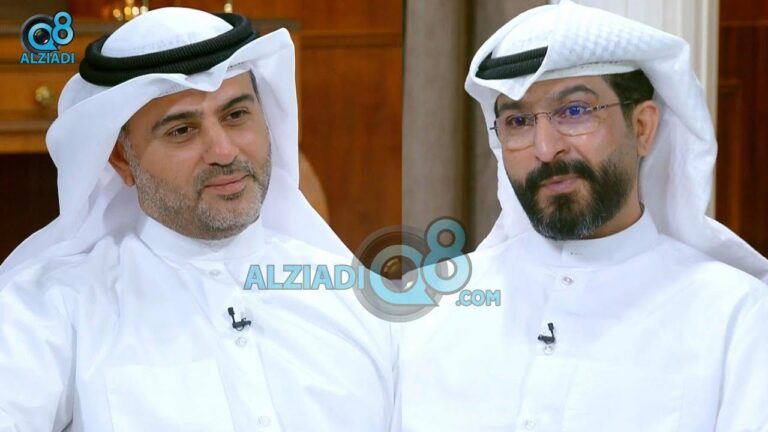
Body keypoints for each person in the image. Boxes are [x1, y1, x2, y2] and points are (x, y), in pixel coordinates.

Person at [0, 8, 395, 431]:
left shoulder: (358, 301)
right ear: (121, 158)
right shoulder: (50, 309)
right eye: (182, 131)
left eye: (236, 115)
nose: (223, 152)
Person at [396, 2, 768, 431]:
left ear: (642, 128)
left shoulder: (735, 317)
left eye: (574, 112)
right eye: (518, 121)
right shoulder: (429, 306)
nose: (545, 148)